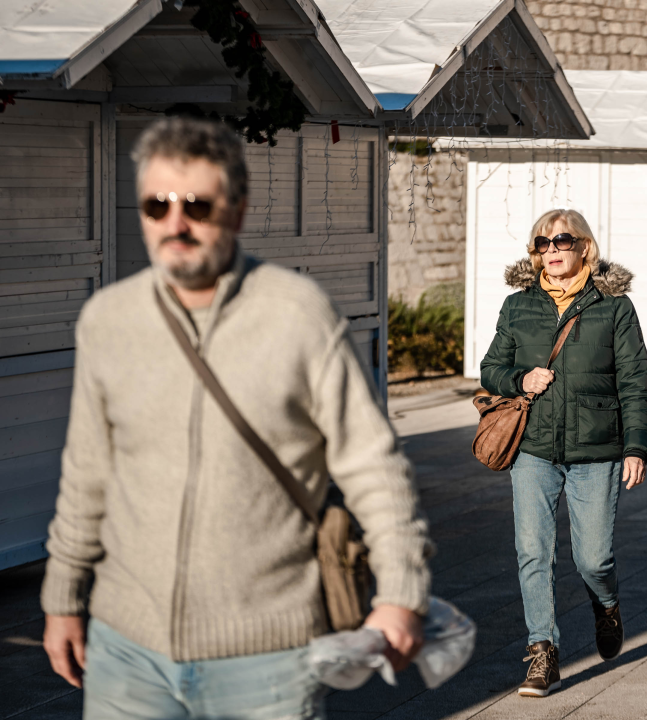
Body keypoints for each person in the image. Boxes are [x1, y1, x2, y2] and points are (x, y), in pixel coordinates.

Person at [40, 117, 432, 719]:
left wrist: (401, 593)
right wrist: (63, 596)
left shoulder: (298, 314)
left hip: (267, 659)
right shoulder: (107, 320)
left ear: (238, 210)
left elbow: (371, 464)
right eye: (156, 205)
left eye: (197, 205)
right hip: (128, 653)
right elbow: (88, 470)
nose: (175, 224)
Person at [480, 209, 647, 697]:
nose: (551, 250)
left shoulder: (614, 307)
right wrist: (519, 379)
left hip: (597, 449)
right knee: (533, 550)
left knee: (594, 559)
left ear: (584, 247)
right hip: (532, 448)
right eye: (542, 243)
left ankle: (606, 604)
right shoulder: (518, 306)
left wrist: (637, 445)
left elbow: (635, 381)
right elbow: (491, 368)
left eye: (562, 240)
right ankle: (542, 651)